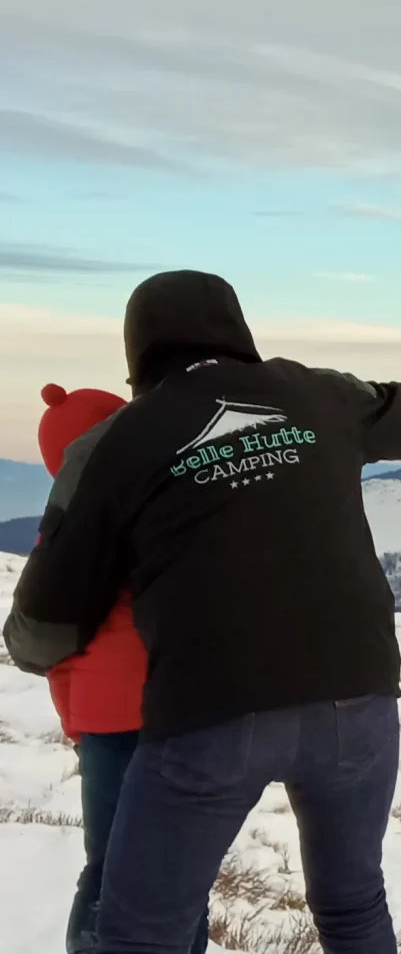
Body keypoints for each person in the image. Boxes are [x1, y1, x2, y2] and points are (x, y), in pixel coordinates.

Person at [4, 270, 401, 954]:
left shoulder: (115, 442)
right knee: (353, 905)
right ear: (237, 333)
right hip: (357, 702)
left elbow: (48, 617)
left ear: (138, 356)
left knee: (138, 935)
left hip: (211, 715)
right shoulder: (321, 392)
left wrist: (33, 649)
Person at [30, 382, 209, 954]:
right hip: (175, 712)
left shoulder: (57, 536)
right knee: (181, 862)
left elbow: (55, 649)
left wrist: (76, 721)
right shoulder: (165, 514)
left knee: (107, 862)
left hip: (104, 726)